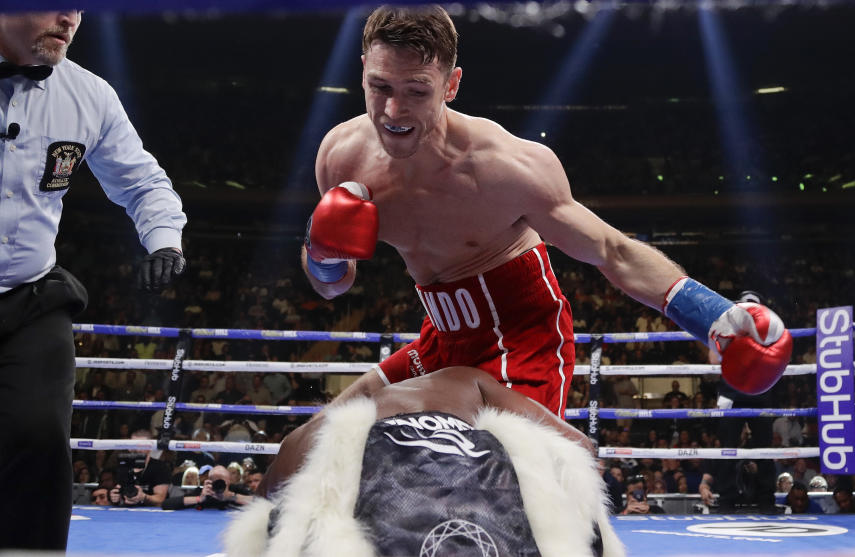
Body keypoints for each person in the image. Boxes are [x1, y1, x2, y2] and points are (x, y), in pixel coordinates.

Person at [302, 5, 792, 419]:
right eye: (380, 87)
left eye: (416, 92)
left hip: (522, 339)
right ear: (363, 67)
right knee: (326, 438)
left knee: (481, 487)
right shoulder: (341, 157)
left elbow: (611, 251)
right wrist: (320, 251)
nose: (393, 112)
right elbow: (333, 285)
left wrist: (710, 315)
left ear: (451, 85)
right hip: (441, 338)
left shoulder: (506, 169)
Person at [0, 10, 186, 551]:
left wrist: (165, 240)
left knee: (39, 443)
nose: (69, 18)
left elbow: (143, 180)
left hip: (26, 302)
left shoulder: (89, 94)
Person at [226, 366, 624, 557]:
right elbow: (579, 447)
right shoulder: (468, 379)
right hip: (484, 491)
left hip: (372, 486)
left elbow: (272, 503)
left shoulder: (335, 422)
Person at [700, 290, 780, 512]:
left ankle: (766, 499)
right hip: (731, 392)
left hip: (759, 391)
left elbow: (777, 360)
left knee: (764, 448)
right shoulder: (726, 328)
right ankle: (726, 499)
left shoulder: (770, 330)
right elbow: (713, 360)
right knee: (727, 447)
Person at [161, 464, 253, 511]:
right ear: (209, 481)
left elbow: (259, 501)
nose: (218, 483)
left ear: (229, 481)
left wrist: (231, 496)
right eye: (214, 480)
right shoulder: (205, 491)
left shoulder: (235, 490)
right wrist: (199, 499)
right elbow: (166, 504)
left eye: (221, 480)